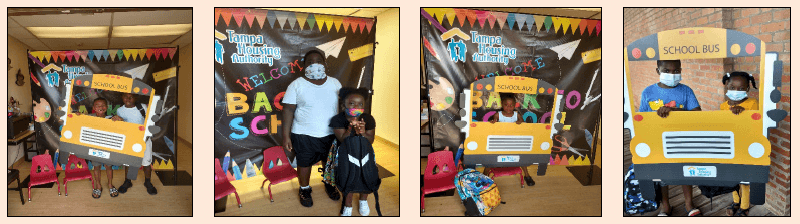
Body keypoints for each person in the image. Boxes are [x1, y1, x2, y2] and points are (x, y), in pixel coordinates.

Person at [638, 60, 701, 216]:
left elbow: (698, 114)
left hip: (682, 139)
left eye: (676, 71)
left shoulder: (686, 91)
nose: (672, 74)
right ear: (657, 71)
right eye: (667, 70)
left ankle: (689, 204)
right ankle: (665, 206)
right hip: (658, 141)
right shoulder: (648, 92)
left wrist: (674, 112)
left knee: (685, 170)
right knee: (662, 173)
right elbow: (642, 118)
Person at [282, 50, 342, 207]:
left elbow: (341, 108)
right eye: (309, 62)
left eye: (318, 61)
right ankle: (304, 189)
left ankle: (328, 183)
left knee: (328, 162)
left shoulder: (335, 83)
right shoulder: (296, 85)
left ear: (325, 64)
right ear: (303, 66)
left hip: (331, 133)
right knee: (304, 163)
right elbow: (288, 110)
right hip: (303, 134)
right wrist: (286, 136)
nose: (314, 64)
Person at [330, 87, 376, 216]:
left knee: (366, 176)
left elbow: (370, 140)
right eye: (352, 103)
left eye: (360, 104)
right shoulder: (337, 120)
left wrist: (362, 133)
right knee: (348, 178)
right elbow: (342, 139)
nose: (356, 106)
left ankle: (363, 201)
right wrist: (350, 128)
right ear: (343, 105)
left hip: (364, 152)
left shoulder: (368, 118)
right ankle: (348, 205)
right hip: (345, 153)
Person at [721, 72, 758, 216]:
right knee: (731, 177)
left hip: (745, 148)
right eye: (732, 87)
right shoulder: (723, 106)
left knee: (744, 179)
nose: (736, 92)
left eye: (741, 88)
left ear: (748, 90)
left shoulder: (752, 104)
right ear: (727, 87)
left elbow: (755, 125)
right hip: (730, 148)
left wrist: (743, 114)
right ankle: (736, 201)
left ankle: (744, 206)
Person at [76, 97, 122, 198]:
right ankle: (98, 185)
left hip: (108, 148)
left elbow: (122, 128)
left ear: (107, 107)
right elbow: (77, 123)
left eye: (103, 105)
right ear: (93, 108)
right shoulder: (88, 118)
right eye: (98, 106)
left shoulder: (112, 119)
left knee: (108, 166)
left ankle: (110, 184)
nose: (101, 107)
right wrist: (78, 117)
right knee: (96, 167)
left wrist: (120, 120)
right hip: (94, 148)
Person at [488, 93, 535, 186]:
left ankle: (527, 175)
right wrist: (493, 122)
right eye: (506, 105)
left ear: (514, 105)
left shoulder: (516, 115)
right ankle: (484, 177)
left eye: (511, 105)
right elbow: (493, 123)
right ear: (502, 104)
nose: (509, 108)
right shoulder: (498, 115)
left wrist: (520, 122)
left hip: (514, 142)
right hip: (500, 143)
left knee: (522, 158)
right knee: (489, 159)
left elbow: (522, 122)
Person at [116, 92, 158, 195]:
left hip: (144, 140)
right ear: (122, 97)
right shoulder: (120, 110)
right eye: (125, 96)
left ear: (135, 98)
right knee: (128, 162)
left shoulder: (142, 107)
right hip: (129, 141)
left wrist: (145, 138)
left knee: (146, 162)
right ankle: (128, 181)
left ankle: (147, 182)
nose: (128, 99)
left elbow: (150, 123)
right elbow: (120, 127)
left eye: (131, 97)